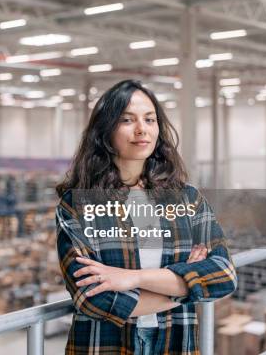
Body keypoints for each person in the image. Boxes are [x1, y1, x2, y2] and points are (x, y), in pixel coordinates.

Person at [55, 80, 237, 354]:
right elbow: (95, 299)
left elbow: (223, 274)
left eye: (150, 119)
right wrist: (187, 286)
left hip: (174, 341)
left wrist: (132, 278)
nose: (142, 129)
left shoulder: (187, 198)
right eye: (127, 120)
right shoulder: (77, 205)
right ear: (104, 131)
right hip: (104, 345)